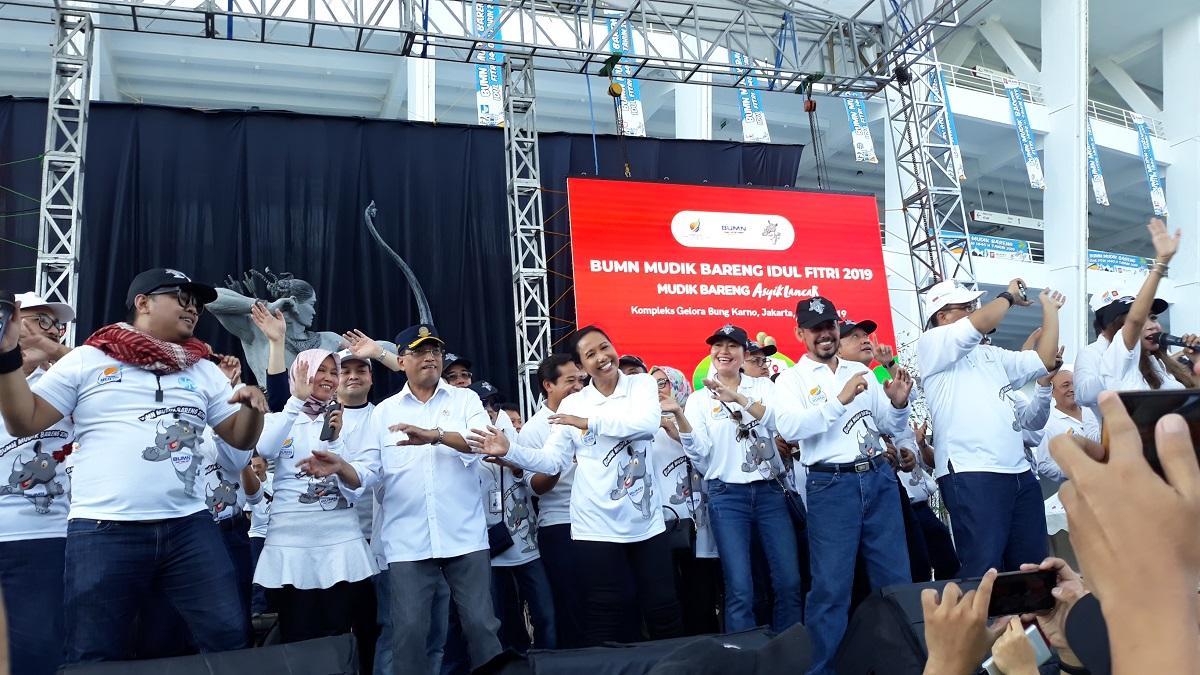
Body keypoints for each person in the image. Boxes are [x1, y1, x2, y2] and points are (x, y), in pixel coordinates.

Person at [0, 268, 268, 664]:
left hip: (189, 528)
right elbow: (25, 421)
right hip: (103, 529)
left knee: (227, 635)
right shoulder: (88, 359)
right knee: (94, 649)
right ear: (143, 303)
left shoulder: (203, 369)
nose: (193, 308)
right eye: (181, 297)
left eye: (196, 303)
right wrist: (7, 356)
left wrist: (252, 408)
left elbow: (240, 439)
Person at [298, 324, 506, 675]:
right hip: (408, 542)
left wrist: (435, 435)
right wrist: (341, 467)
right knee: (408, 633)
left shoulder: (465, 399)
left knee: (481, 626)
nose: (430, 357)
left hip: (465, 536)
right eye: (420, 351)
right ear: (402, 361)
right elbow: (368, 472)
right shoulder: (385, 412)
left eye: (435, 351)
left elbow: (482, 442)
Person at [471, 326, 685, 645]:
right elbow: (552, 461)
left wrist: (589, 423)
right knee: (607, 613)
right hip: (596, 526)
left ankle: (672, 665)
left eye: (605, 347)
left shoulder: (639, 385)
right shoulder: (573, 405)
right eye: (590, 354)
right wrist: (510, 450)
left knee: (663, 609)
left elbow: (645, 424)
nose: (602, 357)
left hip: (646, 523)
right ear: (582, 367)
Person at [772, 297, 913, 675]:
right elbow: (790, 428)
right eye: (815, 328)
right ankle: (823, 669)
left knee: (895, 582)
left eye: (830, 325)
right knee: (831, 590)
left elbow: (889, 426)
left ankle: (900, 666)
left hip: (879, 478)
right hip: (831, 485)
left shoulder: (860, 369)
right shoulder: (791, 379)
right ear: (800, 333)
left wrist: (899, 405)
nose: (825, 334)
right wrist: (839, 400)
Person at [918, 279, 1064, 577]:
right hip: (972, 471)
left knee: (1032, 568)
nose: (974, 311)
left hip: (1019, 472)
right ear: (941, 316)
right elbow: (983, 321)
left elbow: (1046, 360)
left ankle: (1025, 612)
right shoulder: (932, 343)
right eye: (966, 307)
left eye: (973, 305)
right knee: (984, 570)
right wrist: (1008, 296)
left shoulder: (991, 354)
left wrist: (1050, 310)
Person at [253, 350, 378, 645]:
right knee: (297, 634)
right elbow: (265, 448)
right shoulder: (282, 417)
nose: (329, 378)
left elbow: (359, 482)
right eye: (320, 370)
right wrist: (295, 401)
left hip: (340, 543)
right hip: (290, 545)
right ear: (301, 373)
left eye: (334, 372)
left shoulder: (345, 420)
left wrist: (335, 442)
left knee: (339, 634)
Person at [681, 324, 800, 633]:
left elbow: (781, 425)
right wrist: (681, 423)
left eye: (732, 346)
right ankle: (742, 653)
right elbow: (700, 455)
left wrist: (737, 397)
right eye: (717, 346)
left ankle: (789, 650)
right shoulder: (698, 400)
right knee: (740, 589)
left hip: (770, 492)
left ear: (744, 354)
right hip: (726, 496)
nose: (724, 351)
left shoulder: (764, 387)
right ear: (711, 353)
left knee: (789, 581)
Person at [0, 292, 74, 675]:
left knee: (37, 653)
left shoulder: (63, 383)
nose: (52, 330)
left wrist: (51, 349)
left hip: (42, 537)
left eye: (56, 325)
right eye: (40, 320)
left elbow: (107, 377)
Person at [652, 364, 721, 636]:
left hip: (701, 522)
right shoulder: (646, 427)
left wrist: (678, 431)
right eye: (652, 385)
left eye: (663, 383)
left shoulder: (696, 420)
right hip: (665, 523)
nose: (658, 390)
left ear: (679, 386)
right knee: (672, 595)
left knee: (703, 594)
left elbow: (710, 462)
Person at [524, 354, 586, 648]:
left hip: (600, 522)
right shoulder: (534, 429)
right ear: (548, 385)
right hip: (561, 525)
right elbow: (535, 488)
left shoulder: (593, 416)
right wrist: (557, 461)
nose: (578, 387)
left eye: (581, 380)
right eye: (570, 381)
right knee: (570, 606)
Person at [1096, 219, 1198, 392]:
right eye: (1142, 321)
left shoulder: (1161, 364)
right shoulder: (1117, 359)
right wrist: (1161, 263)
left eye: (1153, 318)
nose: (1152, 326)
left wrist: (1197, 361)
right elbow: (1135, 321)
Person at [208, 273, 343, 387]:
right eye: (311, 304)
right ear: (294, 301)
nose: (314, 311)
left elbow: (355, 366)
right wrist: (267, 306)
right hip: (275, 409)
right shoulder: (258, 331)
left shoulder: (330, 339)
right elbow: (210, 298)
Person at [1030, 368, 1099, 485]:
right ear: (1052, 392)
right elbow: (1044, 464)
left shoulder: (1094, 410)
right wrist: (1075, 472)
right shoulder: (1047, 425)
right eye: (1065, 385)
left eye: (1075, 384)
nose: (1072, 389)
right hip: (1085, 485)